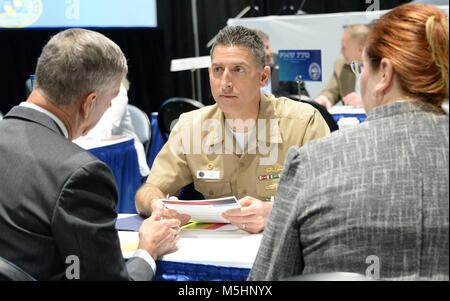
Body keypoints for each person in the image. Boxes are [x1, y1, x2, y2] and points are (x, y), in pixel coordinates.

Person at [248, 3, 449, 280]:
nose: (360, 76)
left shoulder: (311, 164)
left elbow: (265, 281)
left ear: (385, 74)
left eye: (362, 66)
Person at [0, 28, 180, 281]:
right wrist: (147, 251)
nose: (108, 108)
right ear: (89, 102)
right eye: (110, 101)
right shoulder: (79, 173)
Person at [135, 25, 330, 234]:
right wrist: (157, 204)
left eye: (238, 70)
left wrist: (274, 212)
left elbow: (330, 196)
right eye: (218, 70)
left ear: (263, 77)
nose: (225, 83)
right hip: (218, 253)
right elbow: (147, 191)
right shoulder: (190, 127)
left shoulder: (303, 123)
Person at [74, 78, 150, 178]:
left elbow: (103, 131)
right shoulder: (76, 88)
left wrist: (75, 135)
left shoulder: (116, 89)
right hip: (89, 158)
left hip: (124, 165)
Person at [314, 24, 370, 110]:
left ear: (360, 50)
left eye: (344, 47)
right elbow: (331, 91)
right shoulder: (341, 65)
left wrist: (366, 102)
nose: (341, 51)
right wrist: (324, 98)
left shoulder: (383, 67)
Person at [255, 29, 309, 99]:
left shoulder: (287, 63)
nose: (267, 53)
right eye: (262, 50)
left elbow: (302, 94)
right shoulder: (246, 68)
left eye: (267, 47)